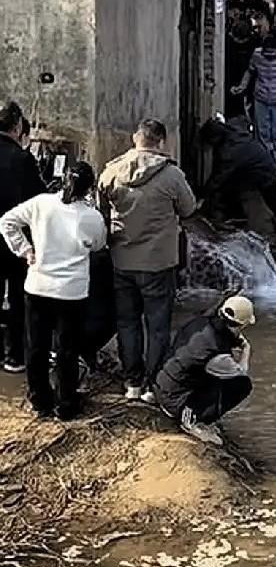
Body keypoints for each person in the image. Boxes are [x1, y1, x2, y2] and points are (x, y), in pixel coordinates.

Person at [98, 120, 196, 403]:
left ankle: (132, 383)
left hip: (122, 260)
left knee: (127, 323)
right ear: (161, 142)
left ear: (135, 139)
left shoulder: (111, 171)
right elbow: (188, 209)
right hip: (158, 263)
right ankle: (153, 387)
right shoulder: (172, 175)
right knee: (157, 325)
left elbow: (100, 212)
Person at [0, 162, 107, 419]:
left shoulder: (41, 203)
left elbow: (7, 221)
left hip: (38, 285)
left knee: (35, 346)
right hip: (71, 292)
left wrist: (25, 250)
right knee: (66, 349)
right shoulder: (92, 216)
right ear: (89, 189)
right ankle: (66, 403)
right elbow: (98, 245)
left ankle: (39, 399)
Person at [155, 294, 255, 447]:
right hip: (173, 400)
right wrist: (246, 350)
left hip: (161, 382)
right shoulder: (218, 355)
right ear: (242, 325)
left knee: (215, 376)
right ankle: (192, 420)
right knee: (242, 385)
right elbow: (241, 373)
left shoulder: (201, 322)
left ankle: (194, 411)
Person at [0, 98, 45, 374]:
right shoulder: (22, 158)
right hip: (15, 240)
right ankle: (14, 355)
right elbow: (39, 198)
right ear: (17, 126)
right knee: (18, 297)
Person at [199, 117, 276, 233]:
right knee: (233, 189)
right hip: (261, 165)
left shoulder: (230, 151)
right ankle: (237, 217)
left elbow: (217, 179)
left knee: (272, 202)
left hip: (263, 174)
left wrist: (202, 197)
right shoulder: (233, 131)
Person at [236, 31, 276, 171]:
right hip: (261, 98)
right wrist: (242, 86)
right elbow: (250, 72)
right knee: (261, 133)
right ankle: (263, 163)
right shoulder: (257, 55)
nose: (269, 56)